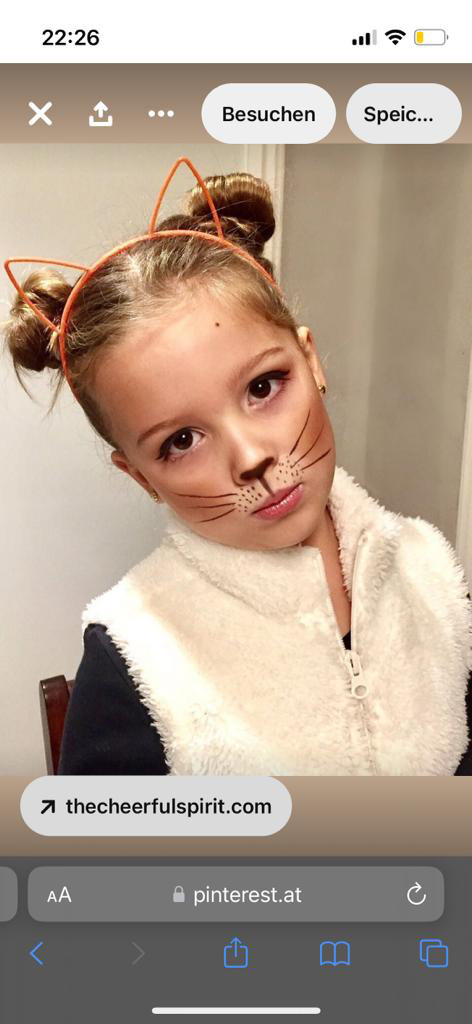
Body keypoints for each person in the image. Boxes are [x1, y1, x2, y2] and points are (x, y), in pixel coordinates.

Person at [4, 158, 472, 776]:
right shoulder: (133, 657)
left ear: (311, 361)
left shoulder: (430, 571)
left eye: (263, 386)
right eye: (181, 441)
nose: (252, 458)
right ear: (141, 477)